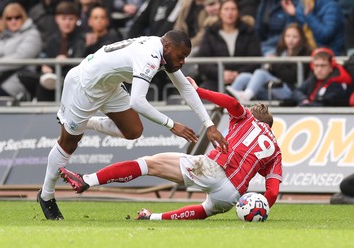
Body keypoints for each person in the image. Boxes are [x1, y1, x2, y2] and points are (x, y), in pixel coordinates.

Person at [37, 30, 228, 220]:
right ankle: (46, 195)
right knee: (68, 143)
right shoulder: (151, 56)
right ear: (168, 47)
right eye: (181, 57)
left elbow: (185, 87)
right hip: (85, 86)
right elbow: (137, 102)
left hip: (109, 86)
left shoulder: (163, 49)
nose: (182, 62)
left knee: (133, 131)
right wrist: (171, 124)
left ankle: (88, 123)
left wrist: (209, 124)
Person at [58, 76, 282, 220]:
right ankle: (152, 218)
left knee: (149, 164)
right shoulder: (276, 149)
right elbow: (272, 191)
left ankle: (87, 179)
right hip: (232, 194)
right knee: (205, 210)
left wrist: (198, 92)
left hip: (215, 168)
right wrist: (262, 209)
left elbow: (232, 104)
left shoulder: (246, 119)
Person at [226, 23, 312, 102]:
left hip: (290, 91)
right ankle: (226, 101)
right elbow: (275, 73)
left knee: (260, 73)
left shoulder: (305, 53)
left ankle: (245, 96)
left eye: (295, 37)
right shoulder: (281, 51)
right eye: (288, 36)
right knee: (244, 76)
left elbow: (291, 77)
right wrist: (270, 65)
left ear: (301, 38)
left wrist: (275, 63)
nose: (291, 40)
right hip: (273, 87)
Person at [196, 0, 262, 91]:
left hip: (244, 80)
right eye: (226, 9)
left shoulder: (249, 32)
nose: (229, 13)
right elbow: (203, 61)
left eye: (233, 9)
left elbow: (255, 59)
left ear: (238, 12)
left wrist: (237, 73)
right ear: (220, 12)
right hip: (215, 81)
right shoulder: (210, 33)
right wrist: (221, 73)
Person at [29, 1, 87, 101]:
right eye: (63, 19)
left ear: (77, 19)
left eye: (71, 19)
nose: (67, 23)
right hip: (52, 80)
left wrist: (63, 63)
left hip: (73, 82)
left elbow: (79, 64)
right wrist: (46, 66)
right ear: (57, 19)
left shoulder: (82, 38)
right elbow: (46, 60)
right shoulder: (51, 40)